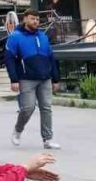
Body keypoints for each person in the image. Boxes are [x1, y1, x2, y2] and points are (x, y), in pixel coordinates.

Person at [5, 8, 61, 150]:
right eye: (32, 18)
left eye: (37, 19)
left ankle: (47, 139)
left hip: (45, 78)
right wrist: (14, 79)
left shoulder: (42, 36)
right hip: (26, 78)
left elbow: (51, 58)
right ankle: (18, 130)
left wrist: (55, 79)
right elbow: (9, 59)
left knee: (46, 108)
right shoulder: (15, 37)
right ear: (25, 19)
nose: (35, 21)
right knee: (28, 108)